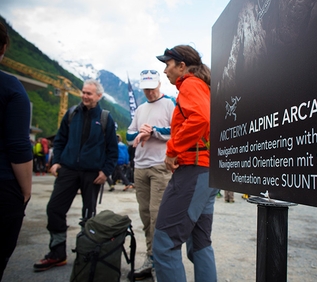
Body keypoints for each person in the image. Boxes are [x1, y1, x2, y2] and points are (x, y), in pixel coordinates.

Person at [33, 79, 118, 272]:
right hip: (68, 170)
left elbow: (112, 149)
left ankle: (85, 254)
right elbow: (60, 139)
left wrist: (106, 171)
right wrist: (56, 162)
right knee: (54, 209)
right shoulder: (71, 114)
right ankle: (57, 253)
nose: (84, 96)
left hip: (92, 173)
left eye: (89, 93)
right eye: (83, 92)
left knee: (88, 216)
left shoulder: (105, 118)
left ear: (99, 96)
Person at [152, 45, 218, 282]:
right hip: (208, 173)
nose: (165, 71)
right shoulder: (203, 86)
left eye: (167, 65)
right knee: (199, 245)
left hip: (193, 170)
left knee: (164, 244)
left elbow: (200, 118)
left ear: (181, 66)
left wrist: (172, 150)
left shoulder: (190, 84)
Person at [126, 69, 175, 280]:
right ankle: (150, 256)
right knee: (145, 214)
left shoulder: (169, 104)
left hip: (160, 167)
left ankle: (159, 261)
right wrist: (140, 132)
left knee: (157, 215)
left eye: (152, 87)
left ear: (159, 84)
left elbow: (176, 131)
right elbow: (129, 137)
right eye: (145, 88)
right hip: (140, 167)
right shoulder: (140, 109)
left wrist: (152, 130)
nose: (148, 92)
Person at [0, 21, 33, 280]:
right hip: (4, 184)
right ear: (3, 48)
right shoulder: (10, 87)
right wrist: (26, 190)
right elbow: (18, 146)